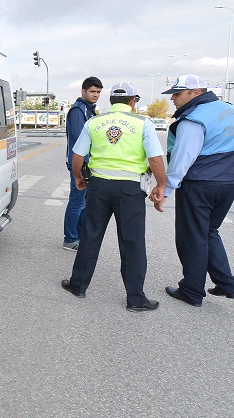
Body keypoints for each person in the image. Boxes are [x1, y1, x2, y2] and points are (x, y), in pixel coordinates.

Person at [61, 81, 166, 312]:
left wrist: (78, 177)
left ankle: (78, 285)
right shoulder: (143, 123)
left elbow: (77, 155)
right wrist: (161, 184)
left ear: (110, 101)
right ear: (132, 101)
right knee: (132, 242)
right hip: (130, 190)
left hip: (98, 187)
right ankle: (136, 299)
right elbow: (155, 159)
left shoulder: (94, 121)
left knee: (90, 236)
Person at [153, 74, 234, 307]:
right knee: (208, 232)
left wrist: (166, 189)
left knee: (191, 237)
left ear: (196, 93)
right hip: (230, 182)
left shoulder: (194, 119)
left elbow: (183, 158)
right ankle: (227, 284)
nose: (172, 98)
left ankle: (192, 291)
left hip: (200, 185)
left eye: (177, 93)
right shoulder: (233, 111)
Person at [62, 76, 103, 251]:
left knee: (84, 202)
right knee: (77, 201)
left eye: (98, 92)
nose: (96, 95)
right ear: (83, 91)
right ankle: (70, 239)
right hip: (80, 163)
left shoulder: (89, 110)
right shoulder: (78, 110)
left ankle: (78, 236)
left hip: (88, 162)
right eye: (92, 91)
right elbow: (81, 139)